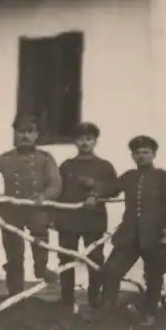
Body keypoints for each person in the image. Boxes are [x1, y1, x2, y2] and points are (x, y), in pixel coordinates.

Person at [89, 135, 166, 326]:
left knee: (154, 277)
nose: (141, 156)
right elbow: (110, 189)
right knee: (111, 271)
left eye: (146, 153)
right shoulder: (129, 176)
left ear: (154, 154)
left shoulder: (163, 177)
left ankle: (149, 314)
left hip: (156, 237)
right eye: (137, 153)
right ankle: (107, 312)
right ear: (132, 155)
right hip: (129, 236)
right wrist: (94, 193)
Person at [0, 115, 63, 295]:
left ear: (37, 135)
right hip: (11, 212)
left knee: (41, 245)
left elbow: (56, 184)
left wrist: (44, 196)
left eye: (30, 132)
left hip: (37, 211)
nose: (25, 136)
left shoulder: (45, 159)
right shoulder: (5, 159)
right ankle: (15, 296)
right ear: (15, 134)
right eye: (21, 132)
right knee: (14, 255)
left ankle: (41, 270)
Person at [55, 122, 118, 313]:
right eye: (81, 139)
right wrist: (52, 216)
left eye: (89, 139)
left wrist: (96, 189)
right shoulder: (66, 166)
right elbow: (57, 190)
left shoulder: (104, 166)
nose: (84, 143)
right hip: (68, 219)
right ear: (75, 141)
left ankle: (94, 298)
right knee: (66, 258)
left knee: (96, 258)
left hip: (94, 220)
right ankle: (66, 299)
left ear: (95, 141)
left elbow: (114, 189)